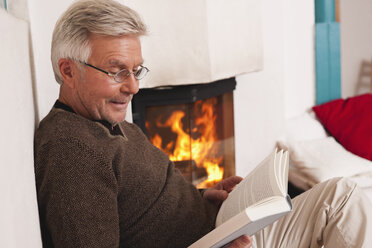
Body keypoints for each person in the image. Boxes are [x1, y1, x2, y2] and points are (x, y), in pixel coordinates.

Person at [34, 0, 372, 247]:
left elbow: (140, 204)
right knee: (343, 201)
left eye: (136, 70)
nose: (133, 86)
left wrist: (203, 196)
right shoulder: (73, 150)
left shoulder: (101, 119)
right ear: (68, 70)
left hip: (216, 226)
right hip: (213, 242)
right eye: (117, 70)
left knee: (340, 194)